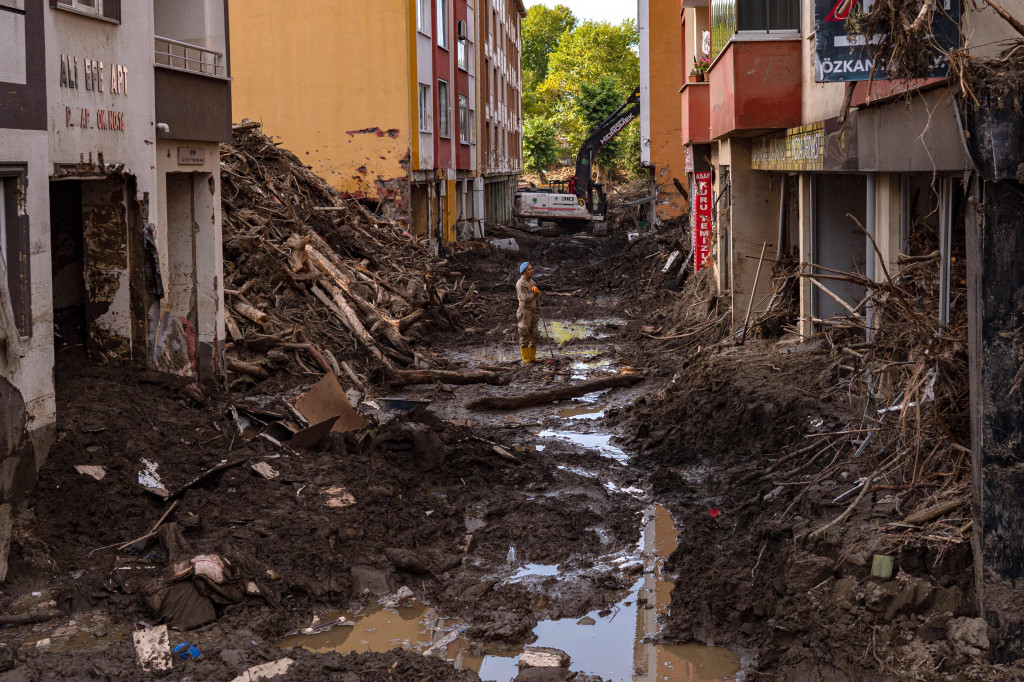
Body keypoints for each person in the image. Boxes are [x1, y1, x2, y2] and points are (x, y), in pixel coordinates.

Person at [516, 262, 541, 363]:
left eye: (532, 268)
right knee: (524, 334)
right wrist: (533, 292)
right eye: (529, 269)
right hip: (524, 311)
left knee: (535, 335)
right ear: (524, 272)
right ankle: (526, 360)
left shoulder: (531, 281)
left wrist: (537, 292)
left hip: (532, 311)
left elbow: (535, 295)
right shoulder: (521, 283)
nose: (532, 271)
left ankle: (532, 358)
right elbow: (525, 299)